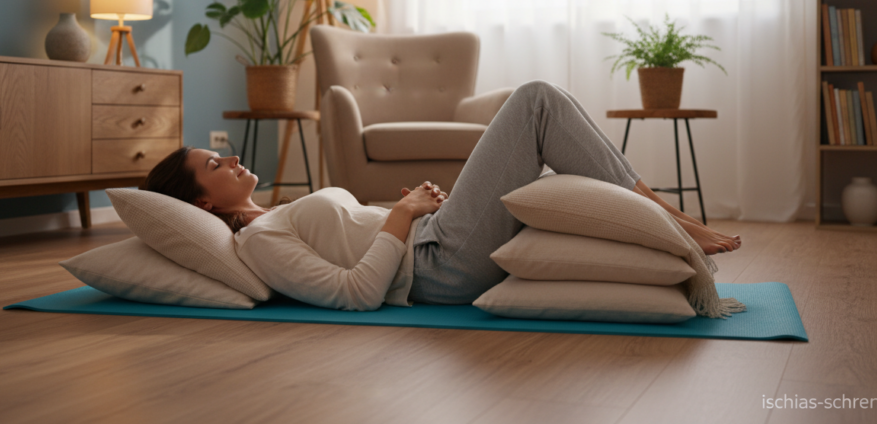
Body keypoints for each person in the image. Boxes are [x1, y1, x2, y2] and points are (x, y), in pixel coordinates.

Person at [142, 80, 740, 311]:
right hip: (437, 267)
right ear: (204, 205)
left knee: (548, 109)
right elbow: (355, 294)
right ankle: (672, 218)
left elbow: (355, 240)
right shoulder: (262, 241)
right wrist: (401, 218)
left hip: (433, 235)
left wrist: (403, 210)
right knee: (535, 101)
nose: (231, 157)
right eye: (214, 163)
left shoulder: (274, 215)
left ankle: (667, 218)